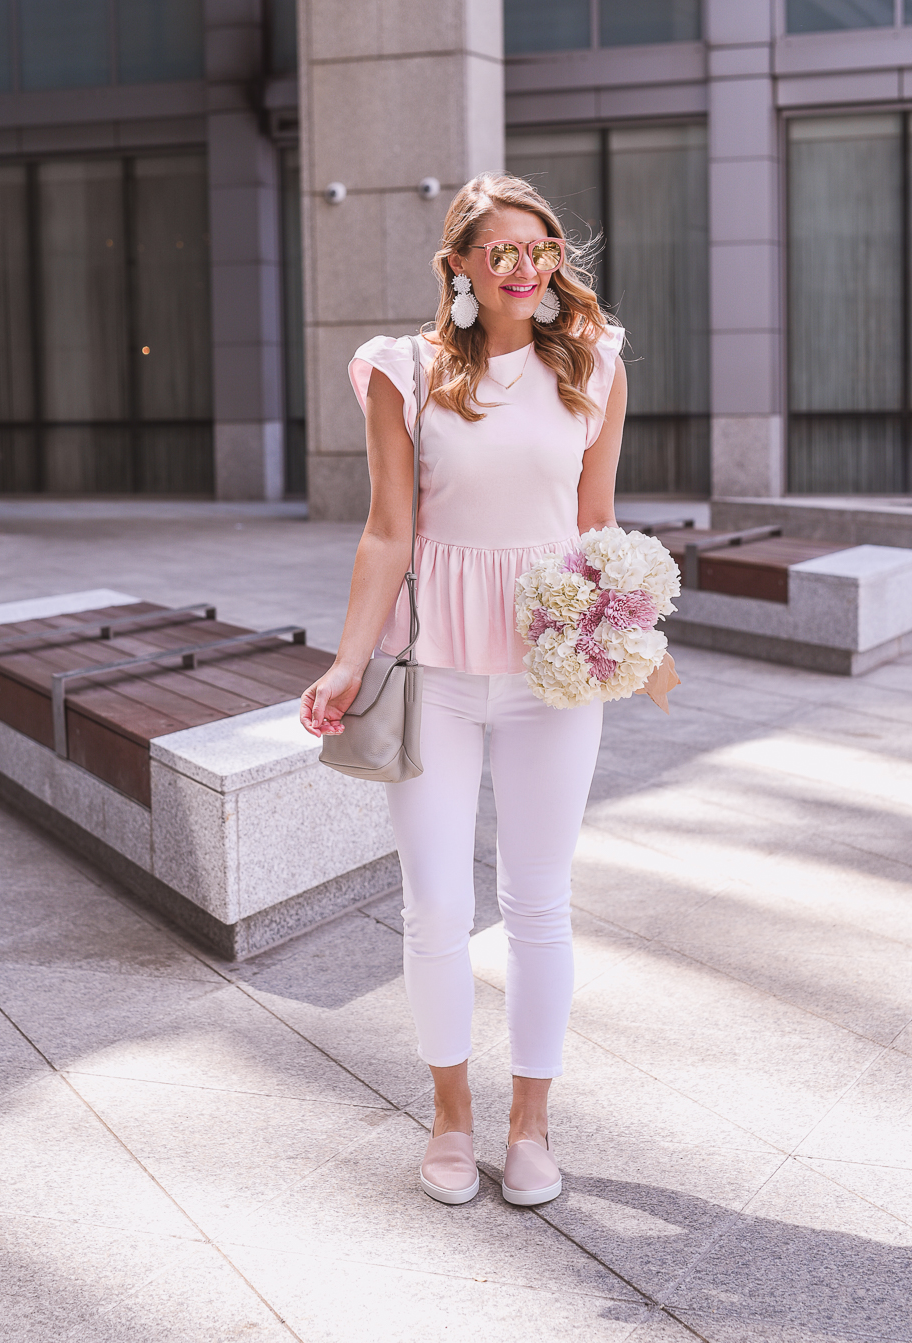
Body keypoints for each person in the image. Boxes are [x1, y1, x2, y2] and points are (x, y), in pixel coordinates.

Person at [300, 172, 627, 1208]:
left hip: (552, 674)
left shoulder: (595, 365)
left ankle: (531, 1124)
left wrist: (624, 629)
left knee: (538, 902)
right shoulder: (405, 372)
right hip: (433, 672)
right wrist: (350, 658)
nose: (527, 268)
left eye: (542, 249)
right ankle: (451, 1115)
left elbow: (595, 519)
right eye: (502, 252)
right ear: (460, 267)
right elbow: (389, 527)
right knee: (437, 901)